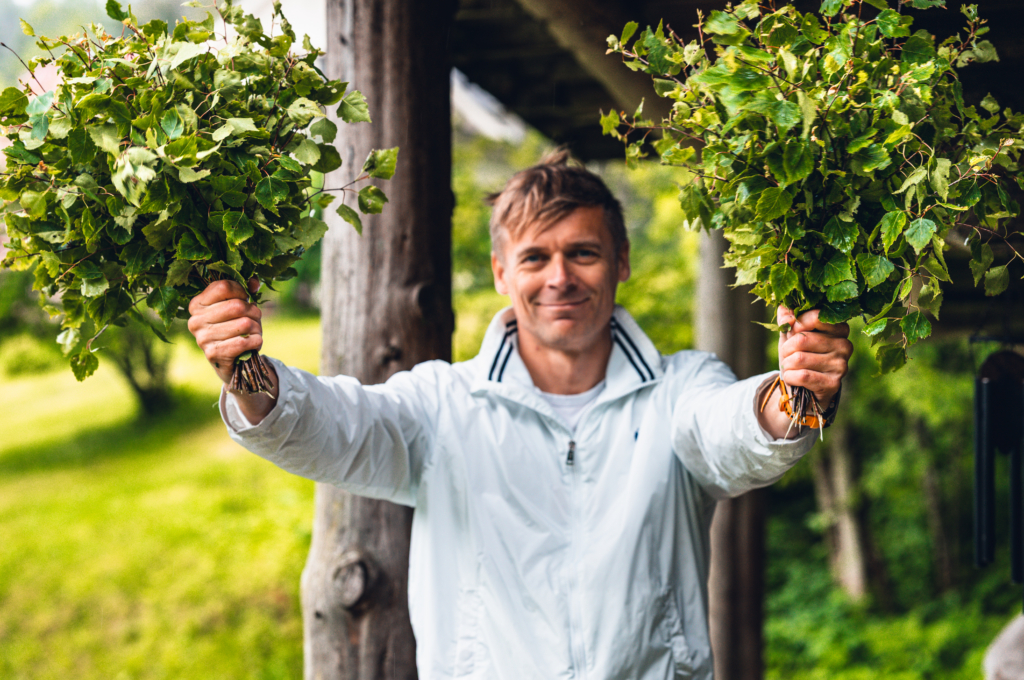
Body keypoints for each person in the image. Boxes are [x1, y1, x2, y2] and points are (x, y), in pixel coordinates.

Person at [187, 149, 852, 679]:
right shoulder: (443, 405)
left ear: (619, 262)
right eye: (536, 257)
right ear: (503, 272)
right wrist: (249, 375)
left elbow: (733, 429)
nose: (559, 277)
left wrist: (796, 391)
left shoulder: (680, 388)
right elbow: (335, 427)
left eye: (582, 253)